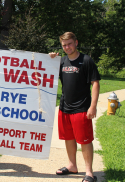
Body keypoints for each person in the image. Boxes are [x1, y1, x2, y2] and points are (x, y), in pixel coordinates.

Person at [49, 32, 100, 182]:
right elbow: (47, 73)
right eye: (64, 45)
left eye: (70, 44)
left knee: (84, 140)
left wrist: (93, 106)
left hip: (82, 108)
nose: (67, 47)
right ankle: (72, 165)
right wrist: (50, 59)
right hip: (65, 107)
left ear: (76, 42)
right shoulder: (62, 61)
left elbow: (95, 83)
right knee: (68, 138)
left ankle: (89, 172)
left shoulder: (86, 60)